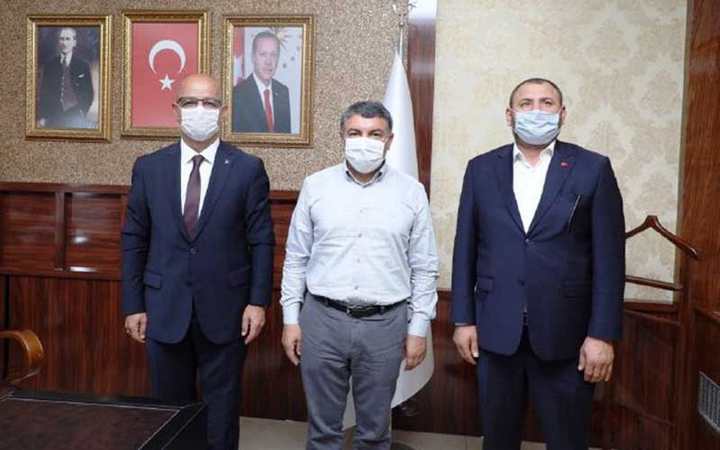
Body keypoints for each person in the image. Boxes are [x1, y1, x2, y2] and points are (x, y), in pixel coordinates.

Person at [451, 78, 625, 450]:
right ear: (509, 114)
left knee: (568, 440)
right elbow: (465, 246)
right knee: (498, 440)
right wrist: (463, 320)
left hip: (568, 336)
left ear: (562, 114)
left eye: (546, 103)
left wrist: (602, 335)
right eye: (526, 103)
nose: (536, 111)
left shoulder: (592, 168)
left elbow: (610, 260)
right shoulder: (481, 169)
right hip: (496, 331)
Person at [121, 74, 275, 450]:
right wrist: (133, 304)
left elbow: (261, 240)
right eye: (190, 102)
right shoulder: (149, 168)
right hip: (163, 307)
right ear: (176, 110)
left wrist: (258, 302)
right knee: (169, 411)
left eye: (209, 103)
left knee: (222, 412)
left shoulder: (247, 168)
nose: (200, 110)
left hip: (227, 310)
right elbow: (134, 239)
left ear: (223, 110)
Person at [280, 101, 439, 450]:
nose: (364, 141)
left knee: (374, 432)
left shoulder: (411, 191)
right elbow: (296, 259)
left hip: (385, 324)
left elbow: (424, 266)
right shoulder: (315, 186)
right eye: (355, 133)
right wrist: (291, 320)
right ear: (342, 135)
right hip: (322, 320)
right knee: (323, 432)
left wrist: (418, 329)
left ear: (390, 140)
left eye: (374, 134)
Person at [232, 31, 291, 133]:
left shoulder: (283, 91)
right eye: (263, 54)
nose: (268, 62)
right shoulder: (237, 95)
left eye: (273, 55)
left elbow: (286, 137)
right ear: (253, 57)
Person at [37, 27, 94, 128]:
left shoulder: (83, 65)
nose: (64, 43)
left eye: (68, 39)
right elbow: (44, 93)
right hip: (53, 114)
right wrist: (43, 116)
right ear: (58, 42)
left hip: (75, 113)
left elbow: (88, 92)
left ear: (74, 42)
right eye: (62, 39)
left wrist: (82, 110)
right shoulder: (50, 65)